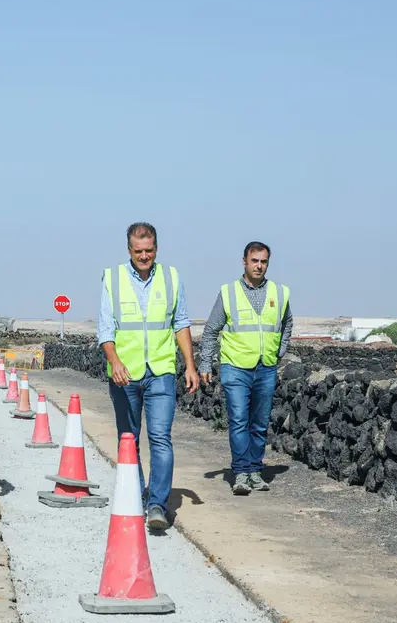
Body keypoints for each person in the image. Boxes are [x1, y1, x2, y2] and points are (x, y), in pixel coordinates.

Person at [98, 222, 199, 531]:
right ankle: (136, 497)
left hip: (161, 371)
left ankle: (157, 503)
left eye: (150, 250)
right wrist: (114, 361)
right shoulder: (112, 278)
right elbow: (105, 328)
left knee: (161, 438)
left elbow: (180, 323)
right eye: (138, 251)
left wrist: (190, 365)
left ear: (157, 248)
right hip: (124, 374)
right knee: (128, 440)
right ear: (129, 250)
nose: (144, 256)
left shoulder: (171, 277)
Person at [199, 241, 292, 495]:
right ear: (244, 262)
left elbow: (287, 325)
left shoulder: (280, 292)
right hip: (235, 367)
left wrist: (278, 352)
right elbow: (210, 331)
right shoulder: (229, 292)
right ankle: (241, 473)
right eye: (254, 261)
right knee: (239, 420)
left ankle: (254, 470)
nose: (259, 266)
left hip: (266, 368)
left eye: (263, 261)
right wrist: (205, 363)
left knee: (260, 422)